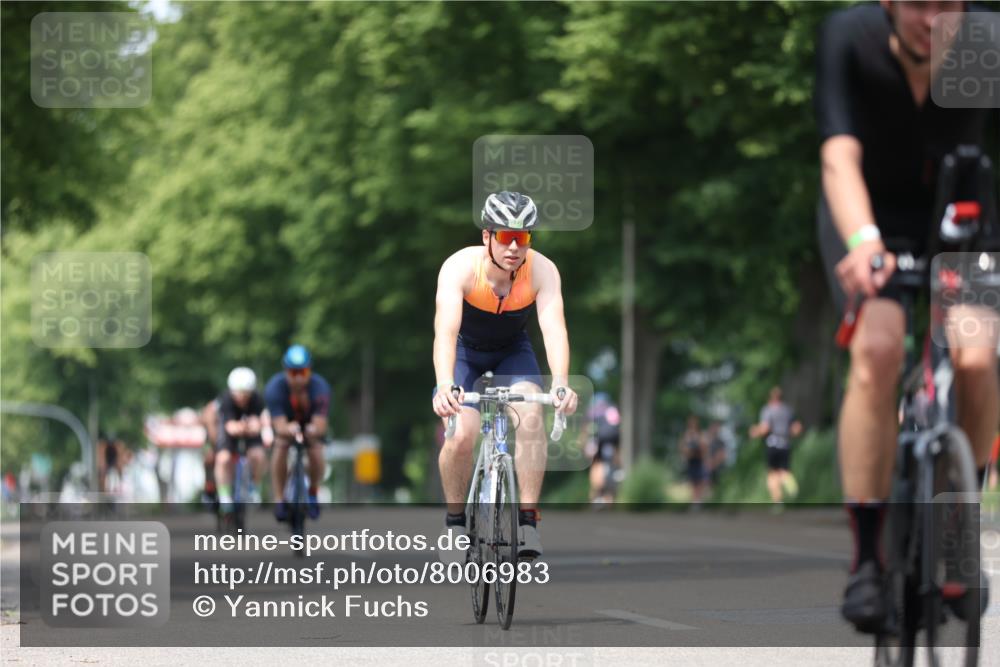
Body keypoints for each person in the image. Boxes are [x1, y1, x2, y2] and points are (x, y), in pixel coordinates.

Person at [815, 0, 998, 632]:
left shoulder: (983, 45)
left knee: (976, 355)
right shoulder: (850, 38)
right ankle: (867, 558)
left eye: (949, 4)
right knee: (878, 349)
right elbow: (838, 158)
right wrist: (864, 240)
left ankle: (957, 527)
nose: (934, 19)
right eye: (919, 3)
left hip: (960, 218)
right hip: (870, 222)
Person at [431, 191, 579, 561]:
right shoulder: (459, 268)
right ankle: (454, 523)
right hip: (466, 354)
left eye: (523, 237)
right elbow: (445, 333)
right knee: (462, 434)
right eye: (505, 237)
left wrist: (561, 382)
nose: (514, 246)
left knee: (531, 417)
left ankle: (528, 522)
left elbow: (554, 329)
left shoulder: (543, 271)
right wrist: (445, 384)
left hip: (514, 351)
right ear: (487, 237)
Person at [265, 344, 331, 521]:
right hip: (286, 426)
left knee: (316, 452)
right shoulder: (274, 388)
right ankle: (279, 498)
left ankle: (313, 491)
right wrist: (289, 429)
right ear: (286, 372)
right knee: (280, 447)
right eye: (294, 373)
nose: (299, 379)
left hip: (310, 426)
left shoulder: (320, 387)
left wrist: (313, 430)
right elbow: (279, 426)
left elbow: (321, 424)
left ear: (309, 371)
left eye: (303, 373)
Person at [214, 367, 267, 513]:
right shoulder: (225, 399)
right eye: (238, 392)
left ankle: (253, 487)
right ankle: (224, 495)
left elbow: (258, 422)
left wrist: (252, 426)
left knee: (258, 455)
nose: (242, 397)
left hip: (250, 432)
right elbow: (230, 427)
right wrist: (244, 427)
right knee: (223, 459)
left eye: (245, 393)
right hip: (229, 433)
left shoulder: (257, 399)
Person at [749, 387, 803, 505]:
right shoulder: (788, 410)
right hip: (785, 444)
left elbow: (765, 428)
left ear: (771, 398)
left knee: (772, 474)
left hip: (773, 444)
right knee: (784, 471)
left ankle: (777, 501)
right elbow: (797, 428)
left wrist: (755, 432)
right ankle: (790, 483)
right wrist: (790, 434)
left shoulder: (768, 410)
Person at [587, 392, 621, 504]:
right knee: (612, 463)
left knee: (596, 463)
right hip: (612, 440)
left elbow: (587, 428)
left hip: (598, 439)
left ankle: (596, 495)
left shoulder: (593, 410)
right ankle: (609, 497)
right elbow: (617, 428)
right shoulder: (612, 408)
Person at [705, 421, 728, 491]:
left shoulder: (721, 442)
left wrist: (714, 463)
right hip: (706, 468)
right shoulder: (706, 440)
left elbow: (723, 455)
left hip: (717, 468)